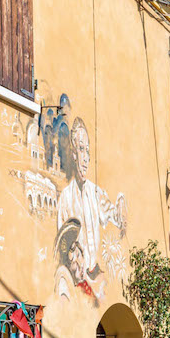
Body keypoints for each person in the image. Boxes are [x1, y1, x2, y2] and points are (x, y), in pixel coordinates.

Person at [55, 118, 126, 281]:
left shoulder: (95, 192)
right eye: (81, 149)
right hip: (76, 279)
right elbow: (62, 246)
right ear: (73, 154)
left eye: (87, 151)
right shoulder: (65, 198)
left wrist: (121, 206)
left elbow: (114, 215)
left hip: (95, 276)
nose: (86, 158)